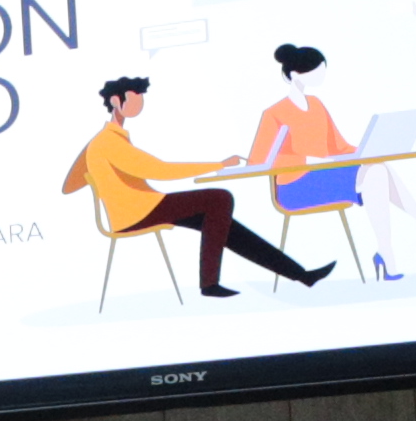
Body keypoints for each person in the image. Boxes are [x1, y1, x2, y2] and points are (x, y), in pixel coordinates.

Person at [66, 68, 331, 296]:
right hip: (138, 212)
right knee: (219, 198)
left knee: (224, 224)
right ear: (116, 100)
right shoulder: (109, 142)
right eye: (135, 99)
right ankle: (210, 284)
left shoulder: (111, 138)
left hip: (145, 206)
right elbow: (159, 170)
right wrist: (218, 165)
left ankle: (299, 275)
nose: (140, 105)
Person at [239, 40, 412, 281]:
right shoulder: (274, 113)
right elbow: (257, 162)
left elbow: (337, 147)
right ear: (295, 74)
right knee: (375, 173)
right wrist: (295, 158)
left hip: (319, 177)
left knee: (377, 168)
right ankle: (407, 238)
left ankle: (389, 253)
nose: (322, 74)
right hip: (294, 187)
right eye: (317, 70)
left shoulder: (317, 105)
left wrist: (368, 150)